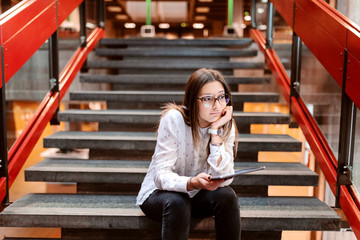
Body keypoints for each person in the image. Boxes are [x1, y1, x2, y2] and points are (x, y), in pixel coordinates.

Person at [136, 68, 241, 240]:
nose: (217, 105)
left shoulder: (225, 126)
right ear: (193, 101)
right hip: (159, 196)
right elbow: (160, 176)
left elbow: (225, 177)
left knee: (227, 196)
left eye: (221, 97)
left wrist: (215, 133)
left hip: (196, 196)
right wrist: (191, 183)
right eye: (208, 99)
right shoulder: (174, 120)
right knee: (178, 201)